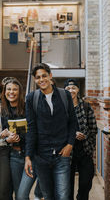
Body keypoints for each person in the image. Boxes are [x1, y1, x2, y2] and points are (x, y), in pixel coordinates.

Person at [24, 63, 77, 200]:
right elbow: (31, 128)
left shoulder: (64, 95)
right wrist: (28, 157)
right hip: (41, 156)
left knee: (63, 196)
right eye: (38, 77)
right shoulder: (31, 98)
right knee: (47, 196)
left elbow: (73, 122)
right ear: (35, 80)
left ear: (50, 76)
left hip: (62, 155)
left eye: (44, 76)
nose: (41, 79)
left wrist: (70, 145)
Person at [0, 78, 42, 200]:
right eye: (9, 89)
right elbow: (5, 135)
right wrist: (8, 139)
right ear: (4, 92)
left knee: (22, 196)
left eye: (15, 89)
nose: (11, 92)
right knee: (18, 195)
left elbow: (34, 133)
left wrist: (20, 136)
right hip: (14, 157)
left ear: (20, 92)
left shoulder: (28, 107)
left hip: (31, 156)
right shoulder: (4, 110)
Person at [64, 79, 97, 200]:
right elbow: (58, 129)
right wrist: (72, 134)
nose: (71, 90)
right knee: (67, 185)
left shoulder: (86, 106)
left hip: (85, 150)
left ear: (78, 90)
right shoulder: (62, 108)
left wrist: (87, 139)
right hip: (67, 151)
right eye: (68, 88)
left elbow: (93, 129)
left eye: (74, 88)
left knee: (86, 182)